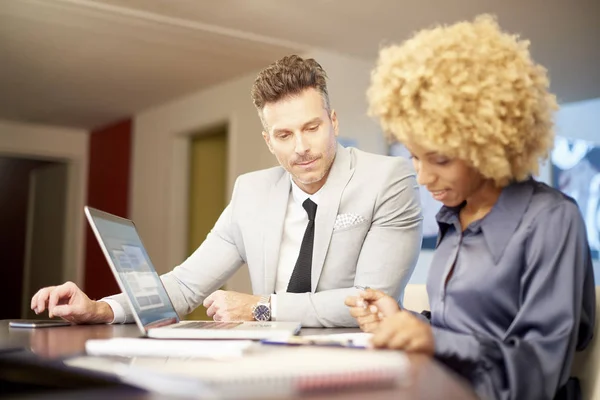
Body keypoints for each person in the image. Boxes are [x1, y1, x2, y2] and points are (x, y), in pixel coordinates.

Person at [31, 55, 423, 328]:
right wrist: (101, 309)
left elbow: (371, 300)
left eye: (312, 128)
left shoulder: (388, 178)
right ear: (269, 141)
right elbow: (186, 284)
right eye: (284, 134)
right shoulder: (252, 192)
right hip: (265, 358)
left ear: (333, 122)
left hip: (356, 365)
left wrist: (261, 308)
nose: (300, 146)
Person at [345, 15, 595, 400]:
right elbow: (461, 328)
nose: (424, 177)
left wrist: (433, 341)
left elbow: (538, 371)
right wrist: (404, 321)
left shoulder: (551, 219)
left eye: (440, 160)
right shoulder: (452, 219)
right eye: (414, 157)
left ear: (490, 143)